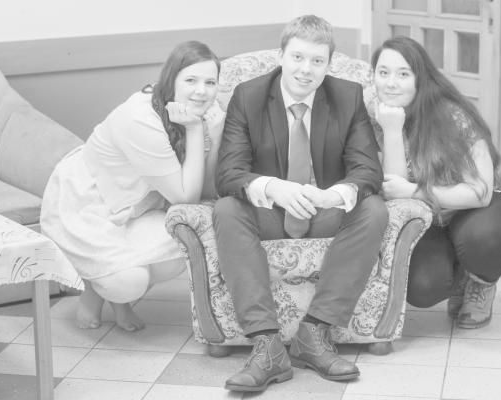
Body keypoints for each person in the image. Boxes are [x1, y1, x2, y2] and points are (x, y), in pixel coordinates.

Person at [214, 15, 388, 392]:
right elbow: (228, 173)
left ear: (329, 64)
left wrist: (332, 195)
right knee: (226, 209)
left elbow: (367, 170)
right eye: (297, 57)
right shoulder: (248, 95)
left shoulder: (347, 96)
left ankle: (315, 333)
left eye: (317, 61)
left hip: (322, 209)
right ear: (281, 56)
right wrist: (273, 187)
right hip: (269, 212)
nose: (305, 69)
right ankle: (267, 346)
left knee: (373, 209)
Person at [40, 41, 225, 332]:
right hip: (91, 202)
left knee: (178, 249)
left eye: (210, 82)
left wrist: (214, 133)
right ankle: (96, 290)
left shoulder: (201, 112)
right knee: (129, 282)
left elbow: (206, 191)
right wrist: (194, 131)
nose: (201, 91)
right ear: (171, 80)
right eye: (191, 80)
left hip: (138, 202)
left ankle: (116, 296)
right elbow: (185, 196)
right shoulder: (140, 119)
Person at [370, 36, 501, 329]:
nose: (391, 83)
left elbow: (480, 193)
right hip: (428, 215)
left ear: (420, 78)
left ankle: (482, 281)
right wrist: (392, 130)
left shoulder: (451, 115)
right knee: (422, 287)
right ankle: (461, 275)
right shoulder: (374, 111)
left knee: (483, 240)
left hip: (475, 208)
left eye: (403, 74)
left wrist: (415, 191)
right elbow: (395, 190)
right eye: (383, 72)